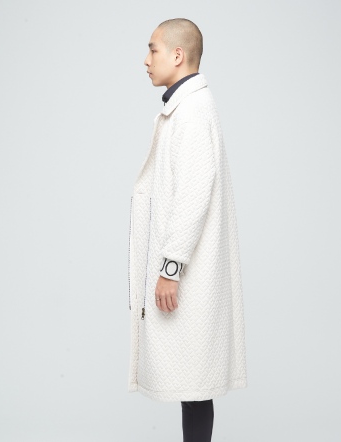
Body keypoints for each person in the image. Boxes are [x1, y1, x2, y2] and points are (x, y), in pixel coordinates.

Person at [127, 18, 247, 442]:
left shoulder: (193, 111)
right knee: (193, 384)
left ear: (177, 55)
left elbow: (194, 194)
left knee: (195, 383)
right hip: (186, 268)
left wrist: (170, 268)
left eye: (153, 49)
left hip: (187, 271)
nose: (146, 60)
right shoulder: (185, 108)